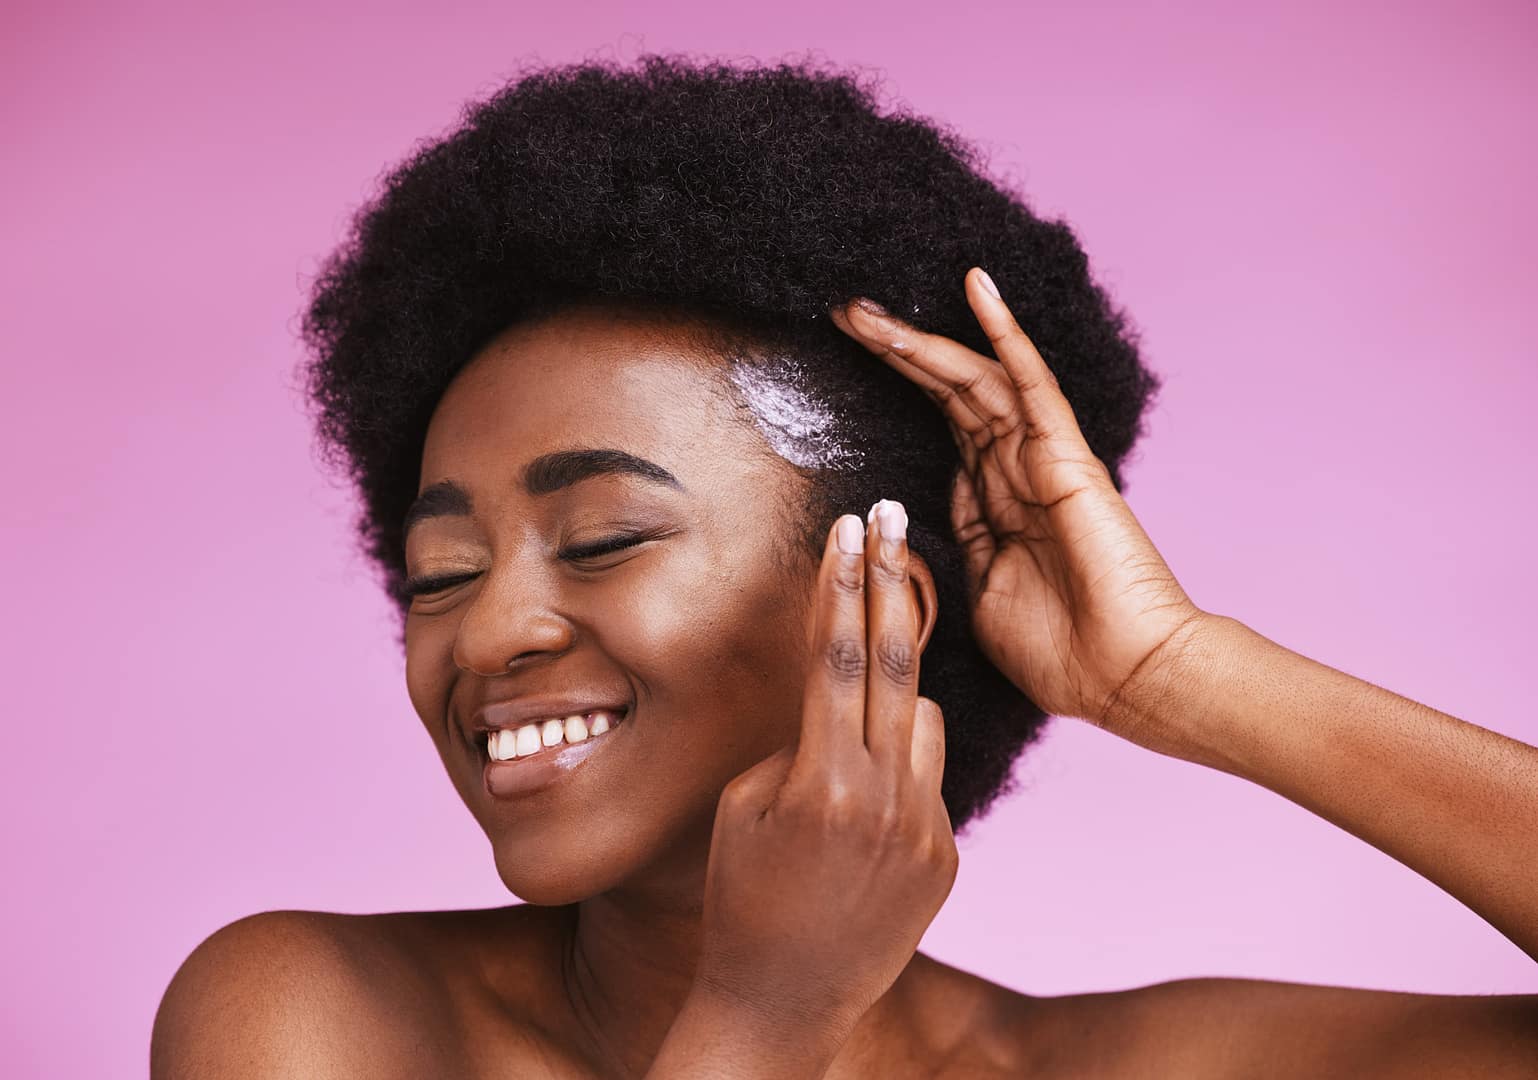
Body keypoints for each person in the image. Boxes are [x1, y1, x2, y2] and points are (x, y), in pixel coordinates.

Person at [150, 55, 1538, 1077]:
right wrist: (763, 1022)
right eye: (438, 572)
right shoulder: (315, 1015)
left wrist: (1178, 673)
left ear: (883, 600)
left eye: (605, 540)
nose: (489, 630)